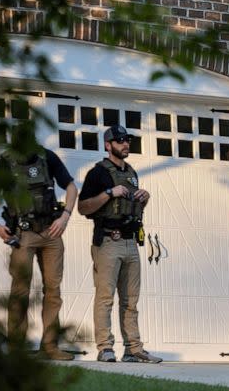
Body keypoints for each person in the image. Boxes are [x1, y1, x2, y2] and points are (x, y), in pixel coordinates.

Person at [0, 124, 78, 360]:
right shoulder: (5, 164)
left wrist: (65, 217)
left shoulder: (47, 157)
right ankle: (16, 349)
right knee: (20, 292)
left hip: (51, 233)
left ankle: (50, 347)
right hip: (22, 236)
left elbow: (71, 187)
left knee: (53, 290)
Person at [78, 125, 161, 364]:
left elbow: (131, 207)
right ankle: (105, 348)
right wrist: (108, 193)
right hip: (107, 241)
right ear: (108, 145)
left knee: (131, 301)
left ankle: (134, 349)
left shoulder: (132, 172)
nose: (126, 144)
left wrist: (143, 199)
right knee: (105, 298)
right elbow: (83, 208)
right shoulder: (98, 173)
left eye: (127, 140)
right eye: (120, 140)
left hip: (130, 241)